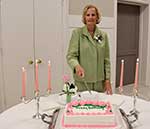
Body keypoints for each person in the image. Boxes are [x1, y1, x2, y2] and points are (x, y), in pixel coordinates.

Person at [66, 5, 112, 94]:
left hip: (99, 82)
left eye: (93, 15)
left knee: (99, 106)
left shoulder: (103, 35)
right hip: (83, 81)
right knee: (83, 106)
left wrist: (107, 80)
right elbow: (71, 56)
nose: (90, 17)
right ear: (84, 17)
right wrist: (77, 66)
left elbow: (106, 60)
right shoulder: (77, 33)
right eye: (88, 15)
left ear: (97, 17)